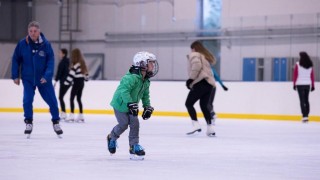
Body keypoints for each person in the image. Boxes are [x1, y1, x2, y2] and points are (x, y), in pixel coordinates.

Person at [11, 21, 63, 137]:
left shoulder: (46, 45)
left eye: (35, 31)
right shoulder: (22, 44)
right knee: (27, 100)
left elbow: (51, 61)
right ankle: (28, 122)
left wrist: (47, 76)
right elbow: (15, 59)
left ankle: (56, 122)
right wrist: (15, 75)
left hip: (43, 80)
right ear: (28, 32)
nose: (33, 33)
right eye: (30, 31)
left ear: (39, 32)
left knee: (53, 102)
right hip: (28, 79)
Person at [106, 51, 159, 160]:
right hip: (120, 105)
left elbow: (145, 94)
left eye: (153, 63)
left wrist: (147, 106)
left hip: (132, 105)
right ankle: (112, 137)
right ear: (142, 64)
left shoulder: (146, 80)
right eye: (151, 63)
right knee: (124, 124)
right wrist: (129, 103)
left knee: (135, 123)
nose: (153, 66)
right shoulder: (130, 77)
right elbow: (123, 91)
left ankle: (134, 146)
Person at [185, 40, 216, 136]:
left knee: (189, 103)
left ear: (194, 48)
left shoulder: (195, 55)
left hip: (201, 82)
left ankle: (195, 124)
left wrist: (191, 79)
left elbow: (196, 65)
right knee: (204, 106)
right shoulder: (204, 57)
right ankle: (210, 128)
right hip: (209, 84)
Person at [64, 48, 89, 123]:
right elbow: (86, 76)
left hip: (76, 82)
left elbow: (71, 75)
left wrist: (65, 83)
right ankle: (81, 116)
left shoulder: (76, 64)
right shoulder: (82, 64)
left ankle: (71, 115)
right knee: (78, 99)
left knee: (71, 98)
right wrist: (85, 78)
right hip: (81, 83)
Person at [293, 51, 315, 123]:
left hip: (300, 84)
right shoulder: (310, 65)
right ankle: (307, 115)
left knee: (302, 100)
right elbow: (312, 76)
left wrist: (294, 84)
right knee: (306, 100)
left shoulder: (298, 64)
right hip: (307, 84)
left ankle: (304, 116)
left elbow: (295, 75)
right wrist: (313, 85)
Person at [54, 48, 70, 120]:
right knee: (61, 97)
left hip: (63, 82)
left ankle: (63, 113)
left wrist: (56, 79)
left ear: (63, 54)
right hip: (67, 81)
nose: (59, 54)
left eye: (60, 53)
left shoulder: (63, 62)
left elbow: (60, 72)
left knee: (60, 97)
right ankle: (63, 113)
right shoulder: (68, 61)